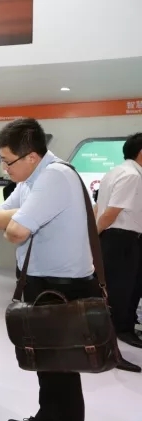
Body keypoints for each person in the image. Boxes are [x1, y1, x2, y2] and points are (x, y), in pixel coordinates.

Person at [0, 118, 100, 421]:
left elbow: (15, 231)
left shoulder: (55, 177)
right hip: (42, 284)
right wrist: (21, 217)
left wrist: (18, 220)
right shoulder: (30, 179)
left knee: (62, 369)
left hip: (61, 288)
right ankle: (47, 419)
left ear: (31, 156)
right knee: (47, 365)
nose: (4, 169)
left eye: (8, 161)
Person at [95, 132, 142, 369]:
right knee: (118, 293)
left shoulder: (116, 172)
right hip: (120, 239)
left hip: (118, 239)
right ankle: (110, 352)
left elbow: (99, 208)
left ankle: (119, 336)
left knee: (122, 291)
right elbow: (110, 213)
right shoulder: (132, 176)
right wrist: (93, 237)